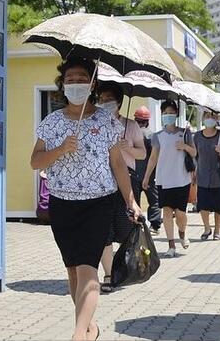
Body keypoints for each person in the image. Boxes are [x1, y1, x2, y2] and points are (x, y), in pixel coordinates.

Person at [31, 57, 140, 341]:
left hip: (98, 204)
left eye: (82, 79)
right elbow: (35, 161)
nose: (76, 83)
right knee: (72, 272)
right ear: (62, 84)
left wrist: (131, 200)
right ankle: (89, 327)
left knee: (88, 268)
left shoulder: (106, 121)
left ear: (92, 84)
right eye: (70, 79)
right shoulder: (52, 122)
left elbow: (118, 164)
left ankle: (78, 335)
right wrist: (61, 149)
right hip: (62, 205)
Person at [95, 81, 146, 293]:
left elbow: (143, 153)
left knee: (126, 228)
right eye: (102, 99)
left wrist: (129, 149)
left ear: (119, 102)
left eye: (110, 100)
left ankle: (125, 269)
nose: (105, 103)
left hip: (127, 180)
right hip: (101, 181)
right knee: (103, 230)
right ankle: (108, 274)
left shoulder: (131, 126)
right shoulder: (94, 123)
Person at [142, 100, 194, 258]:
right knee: (166, 211)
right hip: (164, 179)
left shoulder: (185, 133)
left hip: (182, 179)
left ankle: (182, 233)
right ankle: (171, 245)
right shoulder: (157, 136)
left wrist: (184, 146)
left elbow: (194, 152)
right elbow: (153, 158)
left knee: (180, 214)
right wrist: (146, 177)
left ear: (176, 114)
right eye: (165, 113)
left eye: (171, 113)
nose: (168, 116)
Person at [192, 109, 220, 241]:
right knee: (203, 205)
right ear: (203, 118)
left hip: (219, 177)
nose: (209, 118)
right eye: (207, 116)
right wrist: (194, 172)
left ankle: (217, 230)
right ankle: (207, 228)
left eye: (212, 116)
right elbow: (194, 156)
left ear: (217, 118)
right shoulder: (197, 136)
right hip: (202, 175)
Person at [132, 106, 162, 234]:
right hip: (150, 175)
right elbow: (155, 158)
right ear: (148, 121)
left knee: (135, 202)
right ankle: (154, 225)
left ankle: (136, 225)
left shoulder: (130, 135)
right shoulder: (153, 136)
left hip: (133, 174)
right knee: (154, 201)